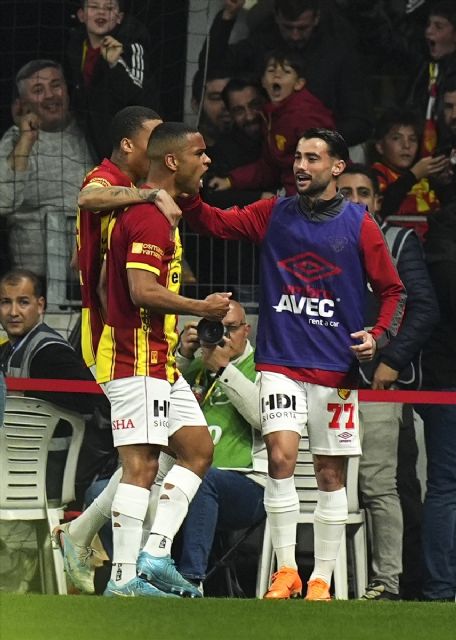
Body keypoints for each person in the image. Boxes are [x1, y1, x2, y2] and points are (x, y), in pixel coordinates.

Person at [180, 127, 406, 601]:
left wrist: (378, 336)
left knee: (329, 475)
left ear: (337, 167)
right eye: (297, 157)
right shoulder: (273, 213)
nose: (301, 166)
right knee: (281, 458)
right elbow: (214, 223)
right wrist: (188, 191)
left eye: (312, 158)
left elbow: (393, 291)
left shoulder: (359, 224)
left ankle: (321, 579)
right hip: (280, 363)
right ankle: (286, 572)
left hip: (335, 371)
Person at [94, 121, 231, 598]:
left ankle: (155, 553)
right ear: (172, 161)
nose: (207, 160)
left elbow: (105, 281)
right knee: (141, 464)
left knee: (197, 450)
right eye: (199, 153)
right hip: (134, 358)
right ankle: (122, 579)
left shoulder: (156, 211)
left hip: (157, 360)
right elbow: (141, 290)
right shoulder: (150, 216)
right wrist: (201, 307)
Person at [337, 164, 439, 601]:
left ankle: (388, 583)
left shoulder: (397, 241)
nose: (356, 200)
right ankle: (333, 578)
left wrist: (393, 361)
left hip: (378, 382)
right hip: (329, 382)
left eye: (364, 192)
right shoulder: (319, 239)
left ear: (378, 201)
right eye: (346, 192)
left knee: (379, 483)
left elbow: (424, 308)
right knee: (330, 483)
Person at [175, 300, 266, 593]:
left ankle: (190, 582)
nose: (223, 336)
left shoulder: (264, 366)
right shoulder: (196, 365)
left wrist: (224, 370)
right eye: (215, 328)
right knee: (100, 491)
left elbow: (262, 418)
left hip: (249, 485)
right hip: (186, 477)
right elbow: (158, 403)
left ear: (246, 330)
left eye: (231, 328)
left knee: (203, 480)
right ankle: (131, 579)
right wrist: (183, 356)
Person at [198, 0, 372, 147]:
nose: (295, 36)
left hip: (322, 151)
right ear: (276, 17)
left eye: (302, 28)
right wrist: (228, 15)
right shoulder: (262, 43)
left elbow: (360, 122)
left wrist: (318, 142)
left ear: (316, 18)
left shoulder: (339, 53)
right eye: (288, 27)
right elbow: (212, 66)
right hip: (263, 149)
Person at [0, 269, 106, 502]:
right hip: (13, 465)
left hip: (46, 473)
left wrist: (29, 395)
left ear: (40, 306)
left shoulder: (52, 353)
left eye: (23, 302)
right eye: (6, 302)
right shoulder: (6, 351)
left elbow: (94, 402)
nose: (13, 312)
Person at [0, 59, 93, 309]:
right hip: (33, 287)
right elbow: (3, 201)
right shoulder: (13, 141)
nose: (51, 95)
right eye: (39, 90)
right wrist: (26, 140)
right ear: (22, 104)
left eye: (56, 85)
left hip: (90, 282)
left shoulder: (91, 133)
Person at [209, 48, 334, 196]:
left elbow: (322, 164)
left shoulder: (306, 115)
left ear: (299, 83)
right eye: (271, 70)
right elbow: (269, 167)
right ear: (263, 81)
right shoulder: (272, 118)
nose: (277, 75)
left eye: (286, 71)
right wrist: (231, 180)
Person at [66, 0, 158, 162]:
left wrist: (115, 64)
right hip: (91, 142)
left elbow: (139, 99)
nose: (101, 12)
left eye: (109, 8)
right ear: (81, 15)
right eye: (94, 7)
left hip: (130, 145)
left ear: (119, 17)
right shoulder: (75, 46)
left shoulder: (131, 45)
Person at [371, 106, 447, 239]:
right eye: (396, 138)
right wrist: (413, 176)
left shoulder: (425, 173)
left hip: (434, 239)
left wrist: (443, 183)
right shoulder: (375, 174)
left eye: (412, 139)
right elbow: (382, 207)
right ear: (380, 146)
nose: (406, 145)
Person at [407, 1, 456, 156]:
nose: (429, 32)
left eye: (438, 27)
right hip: (424, 158)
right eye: (428, 25)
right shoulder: (425, 68)